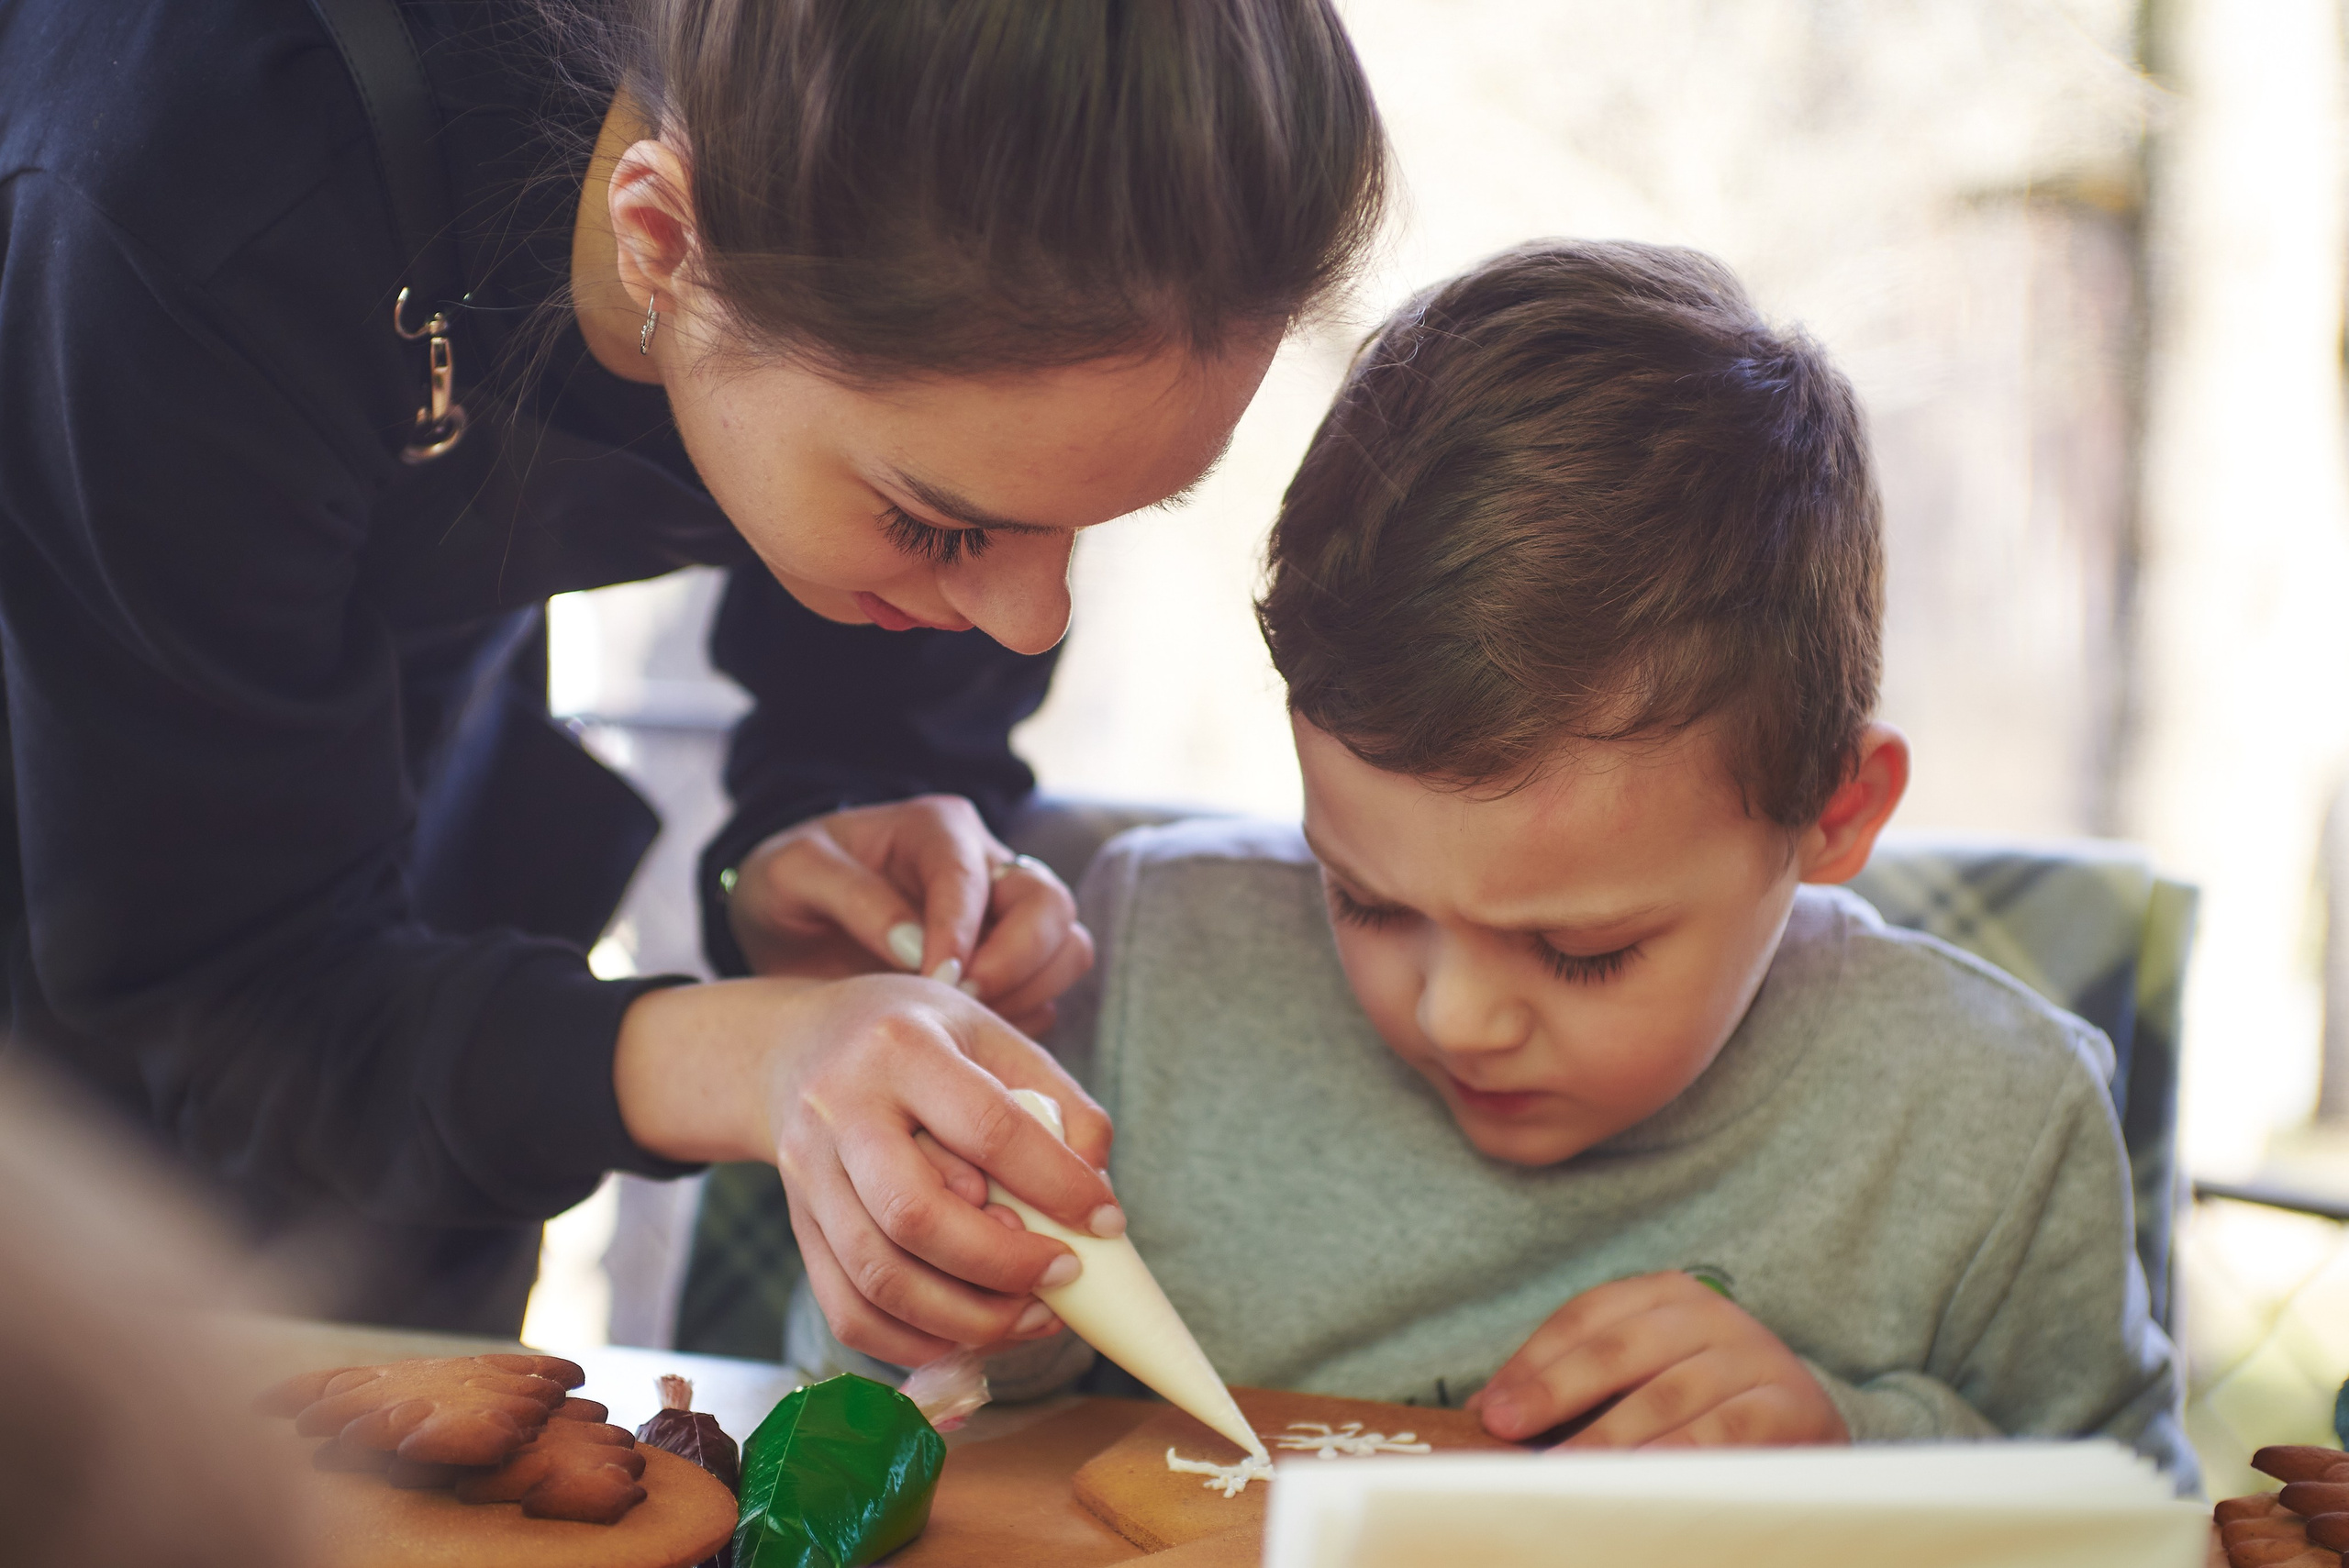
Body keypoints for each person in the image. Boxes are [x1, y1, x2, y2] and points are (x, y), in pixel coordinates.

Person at [0, 0, 1385, 1337]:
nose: (1032, 620)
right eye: (946, 524)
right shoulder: (190, 200)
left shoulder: (872, 202)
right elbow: (216, 977)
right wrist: (763, 1056)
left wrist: (815, 831)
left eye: (1096, 516)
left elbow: (882, 684)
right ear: (661, 242)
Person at [881, 239, 2189, 1475]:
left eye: (1584, 950)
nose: (1456, 1013)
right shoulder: (1151, 952)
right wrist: (950, 1286)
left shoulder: (1991, 1120)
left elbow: (2139, 1509)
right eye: (1366, 899)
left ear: (1833, 811)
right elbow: (905, 1426)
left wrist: (1853, 1453)